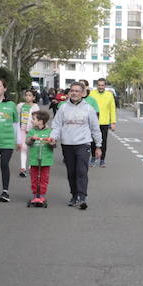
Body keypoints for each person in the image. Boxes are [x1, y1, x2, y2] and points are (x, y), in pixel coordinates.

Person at [51, 81, 102, 209]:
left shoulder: (88, 109)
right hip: (67, 144)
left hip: (83, 144)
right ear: (69, 93)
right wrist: (53, 137)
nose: (74, 93)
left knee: (81, 171)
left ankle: (82, 197)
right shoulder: (63, 107)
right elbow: (56, 125)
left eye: (77, 91)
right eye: (72, 91)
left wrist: (98, 146)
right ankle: (74, 195)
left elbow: (95, 128)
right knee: (71, 172)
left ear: (82, 93)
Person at [24, 108, 56, 207]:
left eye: (34, 119)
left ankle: (41, 195)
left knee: (43, 178)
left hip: (46, 160)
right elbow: (27, 141)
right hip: (34, 159)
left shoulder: (50, 131)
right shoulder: (32, 131)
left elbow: (54, 144)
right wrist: (32, 139)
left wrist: (51, 142)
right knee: (34, 178)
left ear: (41, 121)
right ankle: (35, 194)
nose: (32, 121)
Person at [89, 78, 118, 166]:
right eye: (99, 85)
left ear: (105, 86)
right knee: (92, 142)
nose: (100, 87)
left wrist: (113, 122)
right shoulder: (92, 94)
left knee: (103, 142)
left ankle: (102, 160)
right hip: (93, 122)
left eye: (102, 85)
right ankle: (93, 157)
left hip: (104, 122)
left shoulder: (109, 95)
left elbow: (112, 109)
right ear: (96, 85)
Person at [16, 88, 41, 177]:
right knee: (23, 148)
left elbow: (37, 119)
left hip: (32, 131)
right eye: (26, 95)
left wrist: (35, 128)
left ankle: (31, 167)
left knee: (32, 149)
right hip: (21, 130)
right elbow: (16, 117)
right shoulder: (20, 106)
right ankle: (23, 168)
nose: (27, 97)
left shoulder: (35, 107)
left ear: (34, 97)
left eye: (30, 95)